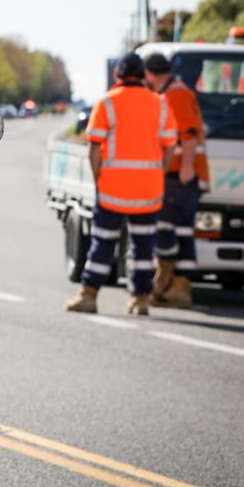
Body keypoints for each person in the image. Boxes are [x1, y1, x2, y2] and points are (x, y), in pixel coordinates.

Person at [65, 52, 177, 315]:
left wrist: (99, 179)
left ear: (117, 75)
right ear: (143, 76)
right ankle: (140, 300)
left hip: (112, 190)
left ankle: (89, 295)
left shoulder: (106, 103)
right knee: (142, 248)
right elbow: (170, 146)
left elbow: (94, 148)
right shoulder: (160, 104)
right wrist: (159, 174)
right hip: (149, 191)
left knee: (103, 244)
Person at [143, 52, 209, 308]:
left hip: (181, 172)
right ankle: (177, 286)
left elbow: (189, 133)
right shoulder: (172, 93)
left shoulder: (175, 94)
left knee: (169, 228)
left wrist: (188, 167)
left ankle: (173, 283)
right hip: (180, 171)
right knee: (180, 230)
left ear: (149, 74)